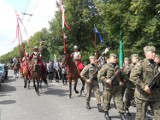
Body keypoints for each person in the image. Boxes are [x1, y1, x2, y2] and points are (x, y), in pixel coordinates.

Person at [130, 46, 160, 120]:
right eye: (152, 52)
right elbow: (133, 77)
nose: (154, 54)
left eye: (154, 52)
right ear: (146, 54)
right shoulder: (141, 64)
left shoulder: (155, 65)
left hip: (155, 95)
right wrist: (144, 86)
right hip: (142, 96)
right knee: (141, 117)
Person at [98, 53, 126, 120]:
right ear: (110, 59)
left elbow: (121, 76)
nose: (115, 59)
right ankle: (106, 113)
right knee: (107, 101)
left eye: (116, 58)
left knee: (119, 101)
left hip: (117, 87)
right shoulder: (106, 66)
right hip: (108, 88)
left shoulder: (118, 67)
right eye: (113, 58)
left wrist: (122, 80)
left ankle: (122, 114)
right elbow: (99, 76)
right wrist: (106, 80)